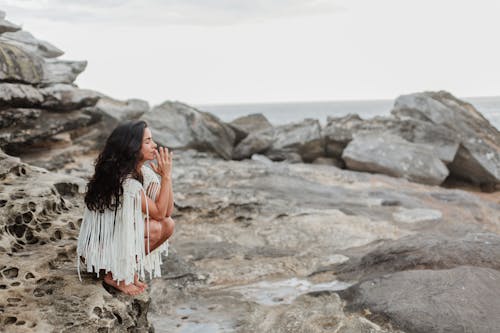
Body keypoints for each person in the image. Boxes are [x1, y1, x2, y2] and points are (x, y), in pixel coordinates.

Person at [77, 120, 175, 295]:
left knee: (168, 225)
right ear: (132, 147)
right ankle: (116, 275)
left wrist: (166, 178)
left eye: (152, 140)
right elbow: (159, 213)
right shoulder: (126, 183)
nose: (154, 145)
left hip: (113, 245)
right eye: (147, 141)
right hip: (96, 253)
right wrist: (166, 177)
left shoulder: (144, 173)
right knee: (155, 227)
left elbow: (167, 212)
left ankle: (125, 270)